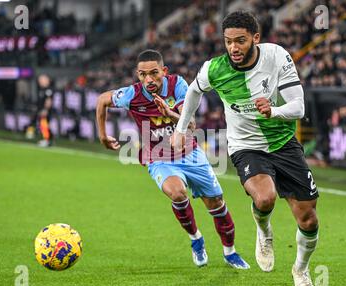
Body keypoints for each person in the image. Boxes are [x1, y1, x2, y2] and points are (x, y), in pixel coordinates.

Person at [172, 11, 320, 286]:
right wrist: (180, 130)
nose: (233, 48)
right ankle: (264, 230)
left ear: (255, 38)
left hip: (283, 143)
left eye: (240, 41)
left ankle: (300, 269)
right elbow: (193, 91)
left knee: (308, 219)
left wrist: (274, 111)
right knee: (265, 198)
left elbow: (298, 107)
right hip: (246, 145)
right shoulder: (214, 69)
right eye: (228, 41)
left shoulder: (276, 57)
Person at [96, 49, 249, 269]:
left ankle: (230, 252)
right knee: (177, 193)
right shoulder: (132, 94)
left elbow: (192, 124)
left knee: (216, 203)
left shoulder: (178, 86)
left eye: (154, 73)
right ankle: (196, 239)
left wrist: (169, 113)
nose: (148, 79)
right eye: (142, 74)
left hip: (191, 154)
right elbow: (102, 100)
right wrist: (102, 135)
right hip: (159, 158)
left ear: (164, 71)